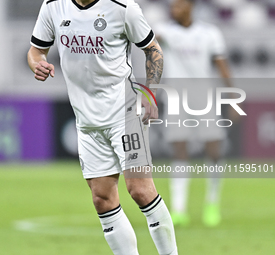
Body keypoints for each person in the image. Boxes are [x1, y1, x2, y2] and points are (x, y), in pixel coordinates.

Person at [27, 0, 178, 254]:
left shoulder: (123, 7)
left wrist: (150, 93)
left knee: (140, 190)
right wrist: (37, 63)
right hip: (87, 121)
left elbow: (153, 50)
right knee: (102, 199)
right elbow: (35, 50)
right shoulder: (53, 5)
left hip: (125, 112)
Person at [155, 0, 234, 227]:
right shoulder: (164, 30)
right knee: (179, 150)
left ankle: (212, 202)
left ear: (191, 6)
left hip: (204, 97)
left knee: (214, 149)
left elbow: (222, 65)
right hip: (176, 98)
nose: (174, 10)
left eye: (179, 6)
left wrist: (231, 98)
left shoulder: (210, 33)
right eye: (172, 6)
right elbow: (147, 42)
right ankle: (179, 209)